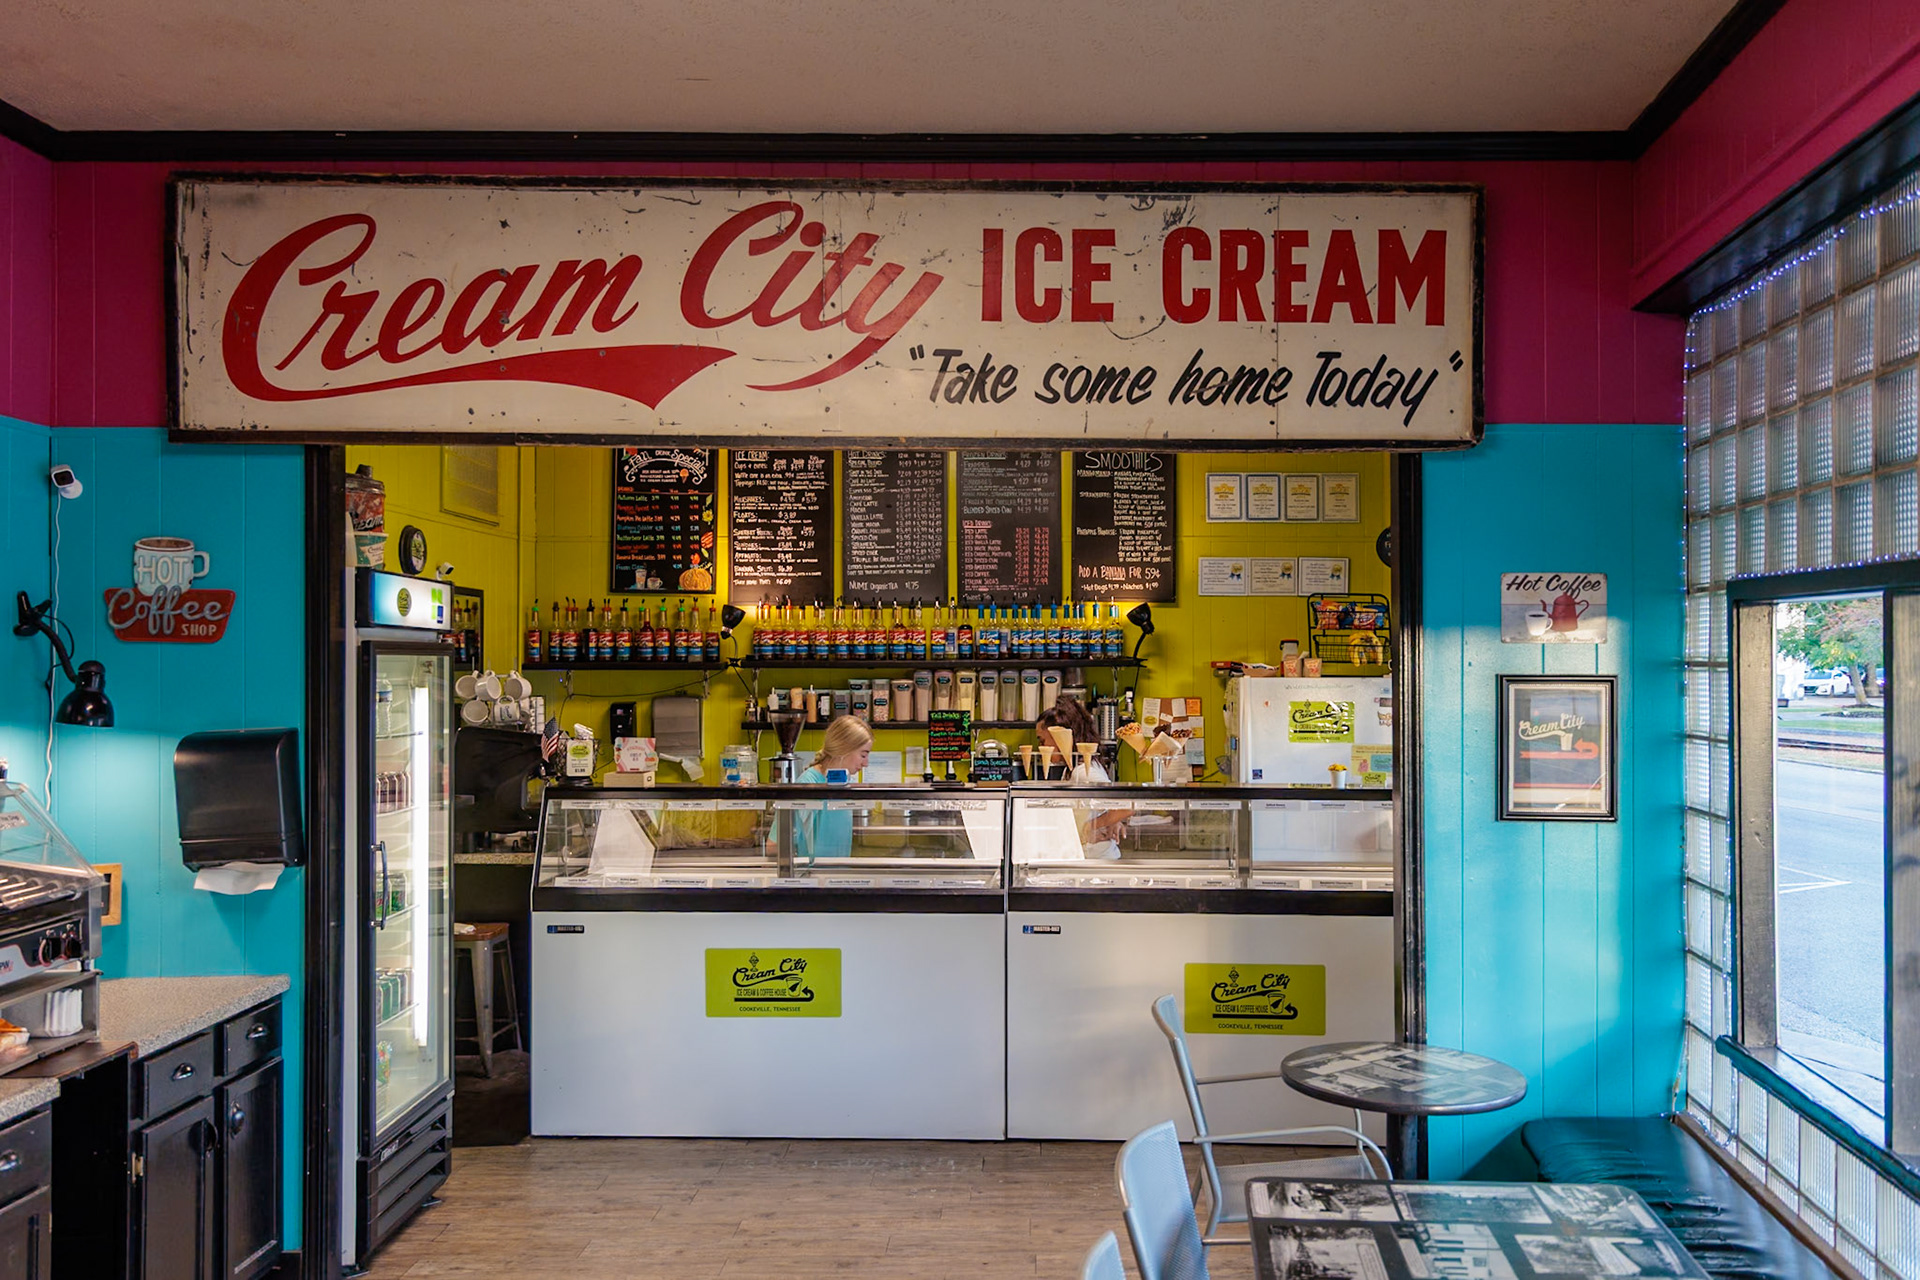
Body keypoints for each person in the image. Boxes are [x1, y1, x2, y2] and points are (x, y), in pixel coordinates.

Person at [1033, 697, 1127, 849]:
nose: (1040, 747)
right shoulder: (1072, 769)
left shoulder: (1084, 772)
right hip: (1084, 858)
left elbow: (1125, 807)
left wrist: (1089, 827)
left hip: (1096, 862)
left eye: (1042, 740)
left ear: (1059, 737)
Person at [795, 715, 871, 862]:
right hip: (813, 879)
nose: (866, 763)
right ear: (843, 749)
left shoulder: (842, 782)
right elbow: (775, 844)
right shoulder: (808, 783)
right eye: (863, 755)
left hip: (835, 877)